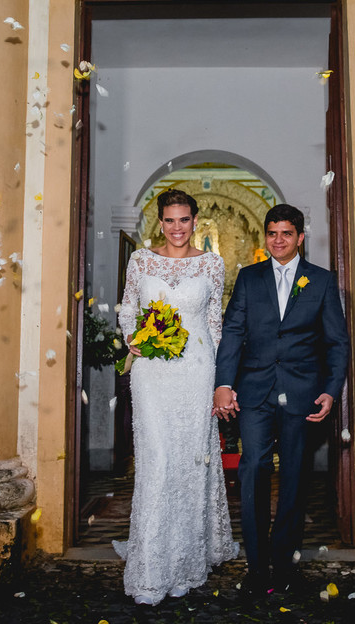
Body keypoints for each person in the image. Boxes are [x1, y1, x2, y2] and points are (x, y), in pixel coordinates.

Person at [214, 203, 349, 595]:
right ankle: (256, 568)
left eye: (286, 233)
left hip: (303, 392)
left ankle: (284, 563)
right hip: (254, 390)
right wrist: (224, 383)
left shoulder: (321, 281)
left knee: (294, 477)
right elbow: (233, 330)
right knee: (253, 468)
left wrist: (330, 389)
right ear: (266, 236)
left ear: (300, 237)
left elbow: (337, 343)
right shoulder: (249, 278)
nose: (278, 240)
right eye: (272, 233)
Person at [113, 189, 237, 604]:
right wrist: (132, 337)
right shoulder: (140, 260)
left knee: (189, 464)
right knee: (158, 462)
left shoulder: (212, 264)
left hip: (196, 372)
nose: (177, 228)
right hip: (152, 371)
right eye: (170, 220)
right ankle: (151, 569)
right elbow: (128, 309)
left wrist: (221, 379)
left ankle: (185, 563)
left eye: (184, 219)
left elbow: (215, 323)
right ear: (159, 222)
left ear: (195, 220)